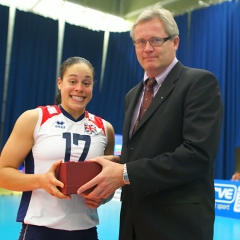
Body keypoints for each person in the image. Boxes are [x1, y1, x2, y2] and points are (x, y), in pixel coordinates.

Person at [77, 4, 223, 240]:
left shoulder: (199, 83)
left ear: (175, 42)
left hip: (177, 226)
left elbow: (197, 155)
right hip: (132, 222)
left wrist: (124, 172)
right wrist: (115, 163)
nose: (147, 48)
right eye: (140, 42)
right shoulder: (132, 95)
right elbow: (144, 152)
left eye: (155, 40)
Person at [0, 56, 116, 240]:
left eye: (86, 83)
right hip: (39, 229)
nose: (79, 88)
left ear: (92, 86)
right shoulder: (35, 119)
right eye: (73, 81)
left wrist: (102, 198)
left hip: (86, 231)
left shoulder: (105, 128)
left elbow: (108, 183)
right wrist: (41, 181)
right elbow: (2, 174)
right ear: (60, 83)